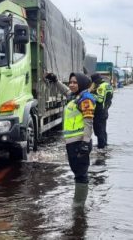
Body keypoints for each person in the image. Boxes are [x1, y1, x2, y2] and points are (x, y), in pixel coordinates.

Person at [45, 72, 95, 207]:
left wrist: (85, 143)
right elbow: (65, 91)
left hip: (80, 143)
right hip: (72, 143)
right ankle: (78, 204)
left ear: (82, 84)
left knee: (81, 174)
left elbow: (88, 123)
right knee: (77, 172)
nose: (72, 85)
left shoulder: (85, 100)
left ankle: (78, 207)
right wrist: (55, 81)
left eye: (75, 82)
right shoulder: (75, 97)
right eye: (70, 82)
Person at [90, 73, 113, 149]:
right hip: (105, 110)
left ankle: (101, 147)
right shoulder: (108, 85)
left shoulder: (101, 86)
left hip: (99, 112)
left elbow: (99, 99)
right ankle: (105, 146)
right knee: (103, 130)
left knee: (98, 130)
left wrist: (90, 94)